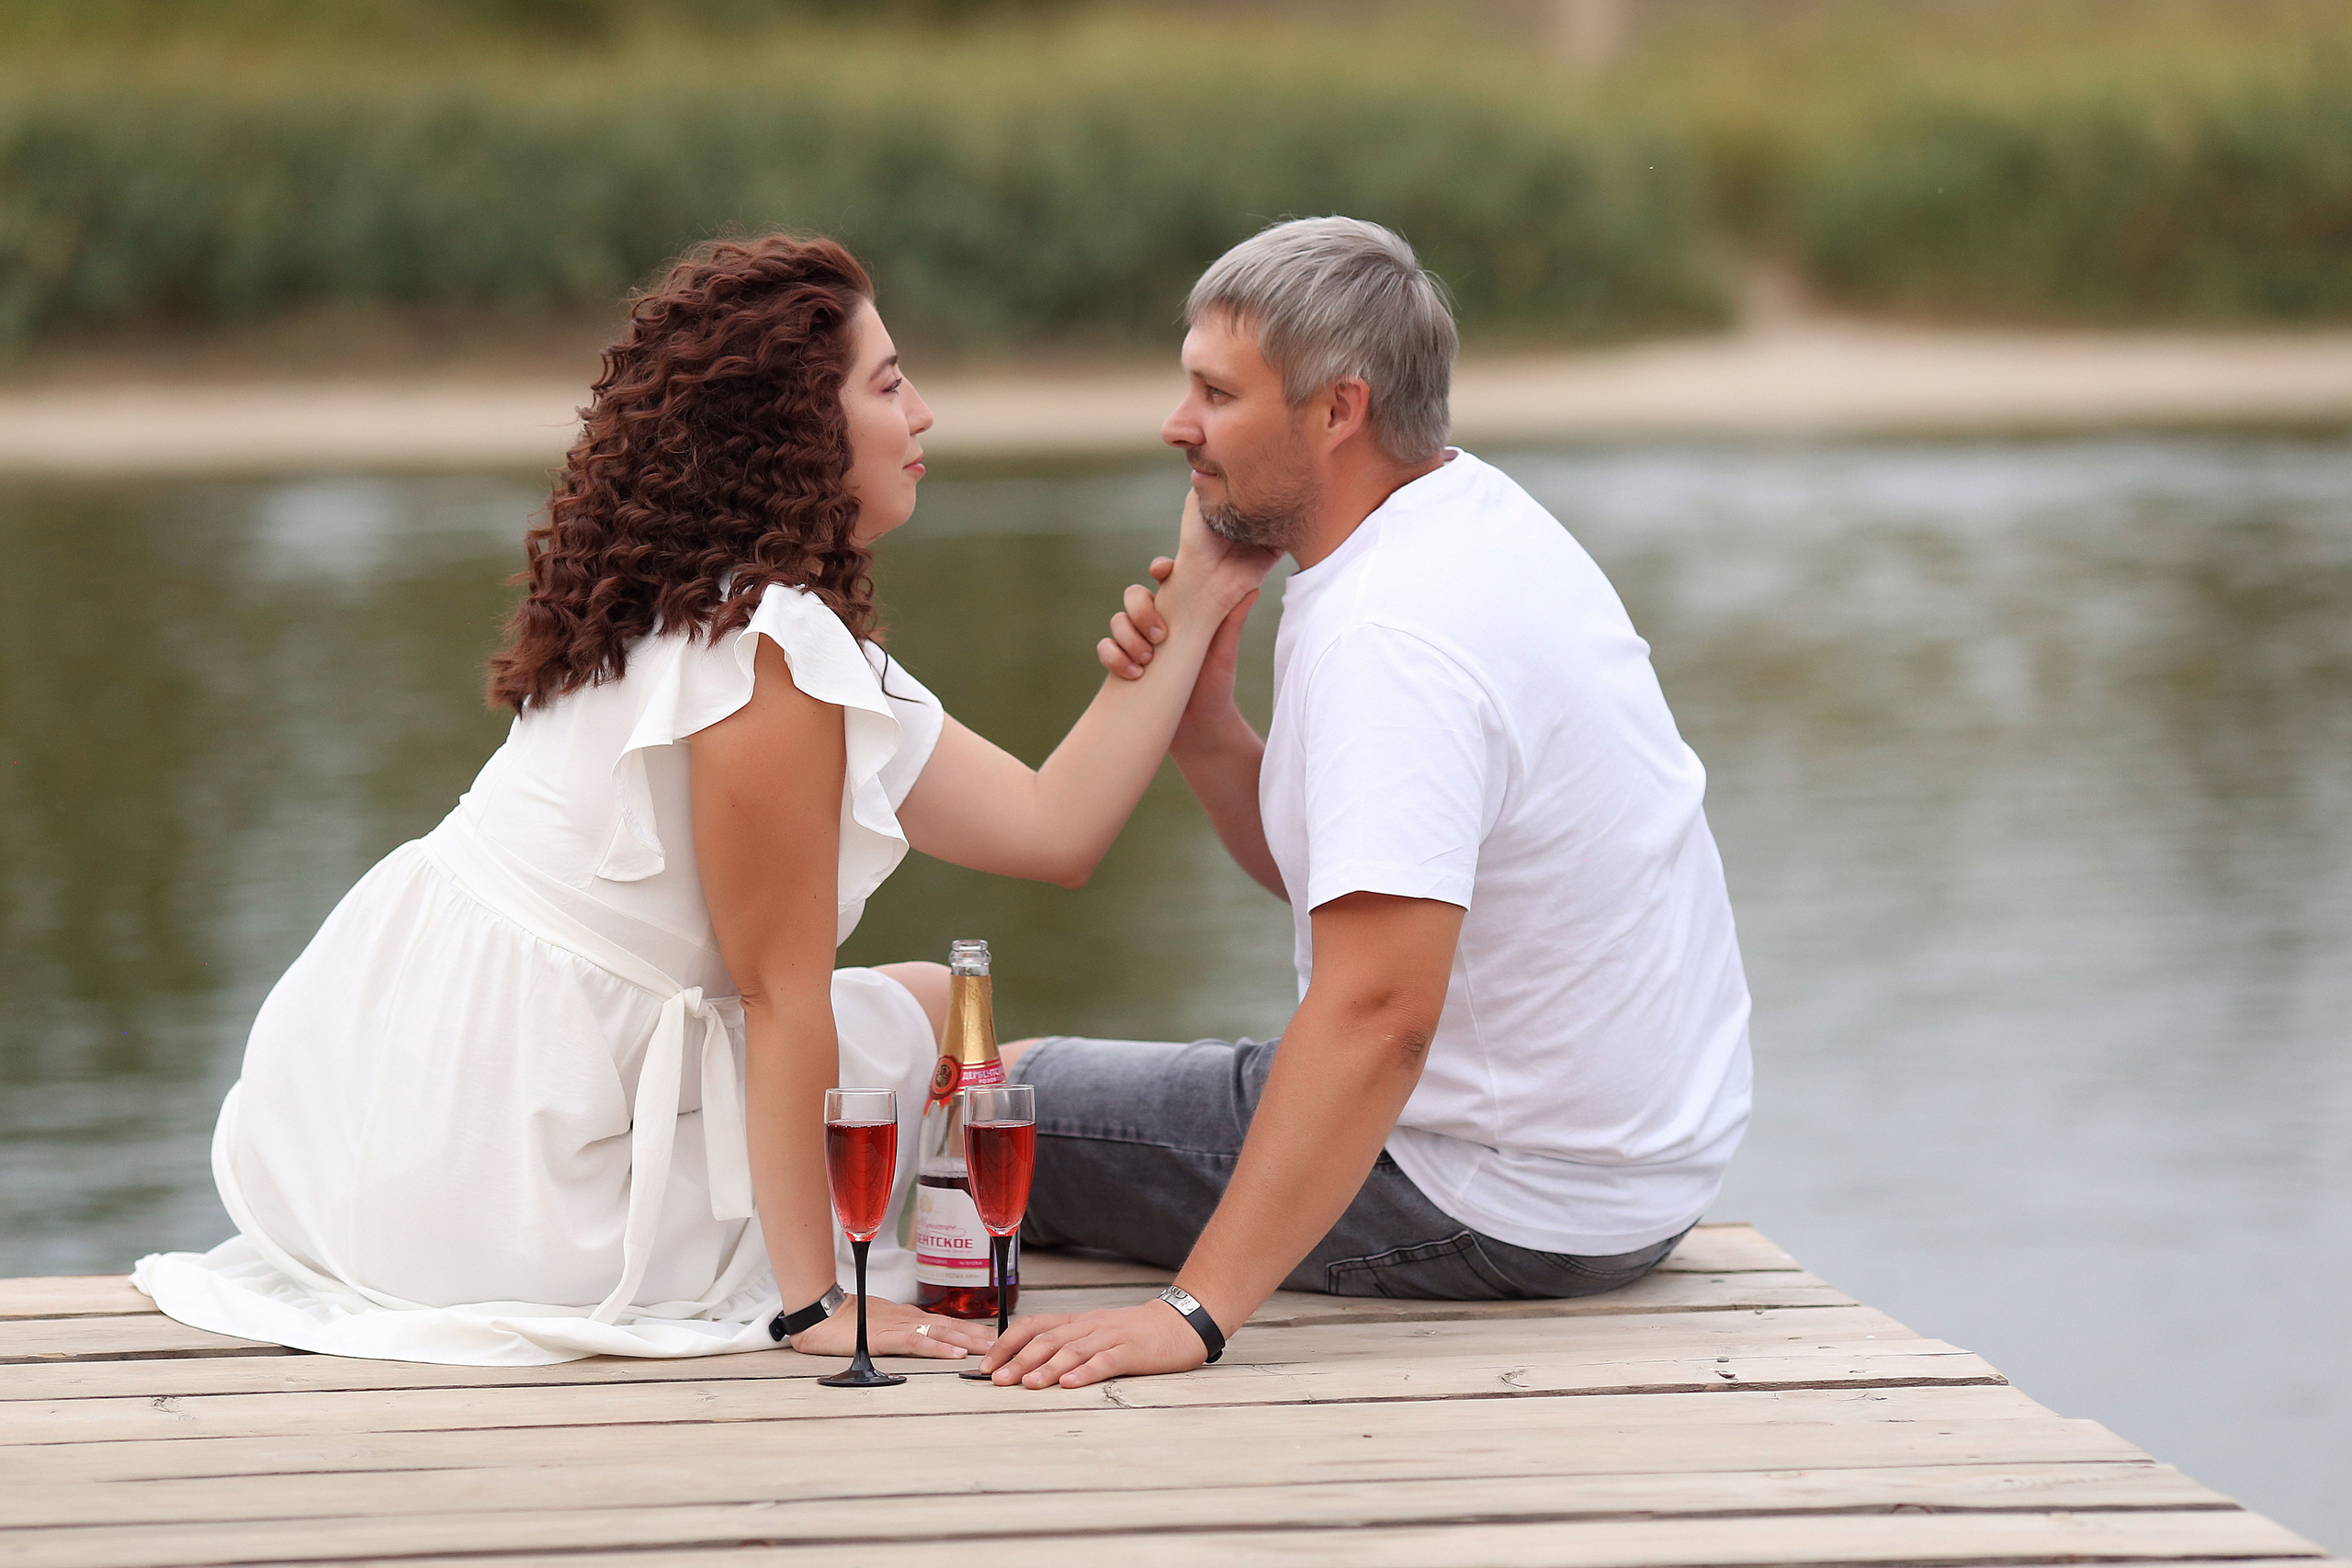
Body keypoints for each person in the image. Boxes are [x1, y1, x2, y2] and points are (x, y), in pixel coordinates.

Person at [132, 234, 1265, 1367]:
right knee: (901, 1014)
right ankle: (814, 1273)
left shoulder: (672, 596)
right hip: (506, 1174)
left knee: (926, 1002)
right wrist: (819, 1309)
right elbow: (780, 998)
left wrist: (1201, 598)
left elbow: (1047, 829)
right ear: (794, 431)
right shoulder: (767, 650)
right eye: (886, 384)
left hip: (368, 1117)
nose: (922, 414)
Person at [979, 217, 1754, 1390]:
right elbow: (1346, 883)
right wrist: (1206, 730)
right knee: (1007, 1075)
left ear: (1336, 410)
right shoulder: (1475, 523)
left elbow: (1381, 1012)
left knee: (981, 1108)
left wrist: (1193, 1313)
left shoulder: (1387, 630)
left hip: (1491, 1196)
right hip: (1624, 1180)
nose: (1173, 425)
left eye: (1213, 393)